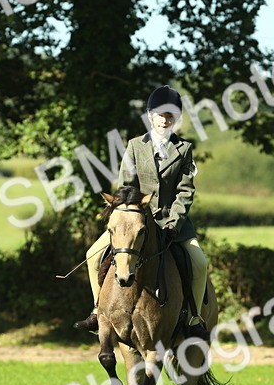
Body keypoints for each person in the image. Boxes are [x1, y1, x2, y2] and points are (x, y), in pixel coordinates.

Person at [75, 85, 210, 340]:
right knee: (92, 255)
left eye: (171, 115)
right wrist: (131, 212)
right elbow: (126, 186)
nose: (165, 120)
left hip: (173, 223)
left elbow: (185, 191)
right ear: (150, 116)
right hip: (135, 220)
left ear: (176, 119)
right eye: (161, 114)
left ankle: (194, 317)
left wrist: (173, 222)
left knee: (200, 264)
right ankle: (97, 310)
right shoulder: (135, 146)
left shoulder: (184, 150)